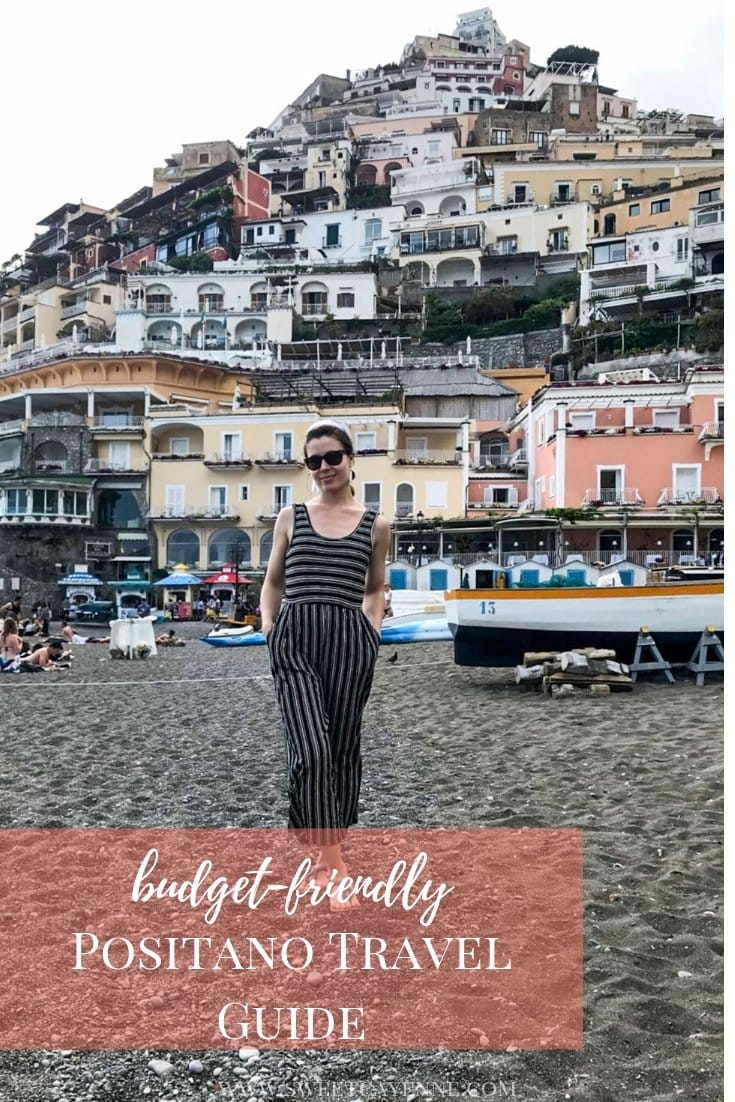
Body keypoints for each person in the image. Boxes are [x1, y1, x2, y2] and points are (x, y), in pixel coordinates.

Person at [260, 418, 390, 909]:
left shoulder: (376, 524)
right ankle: (336, 869)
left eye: (332, 457)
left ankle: (323, 857)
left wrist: (371, 631)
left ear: (351, 459)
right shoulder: (290, 516)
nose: (323, 468)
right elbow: (272, 581)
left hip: (350, 643)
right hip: (294, 641)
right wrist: (270, 628)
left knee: (339, 748)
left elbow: (375, 588)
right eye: (313, 461)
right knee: (311, 749)